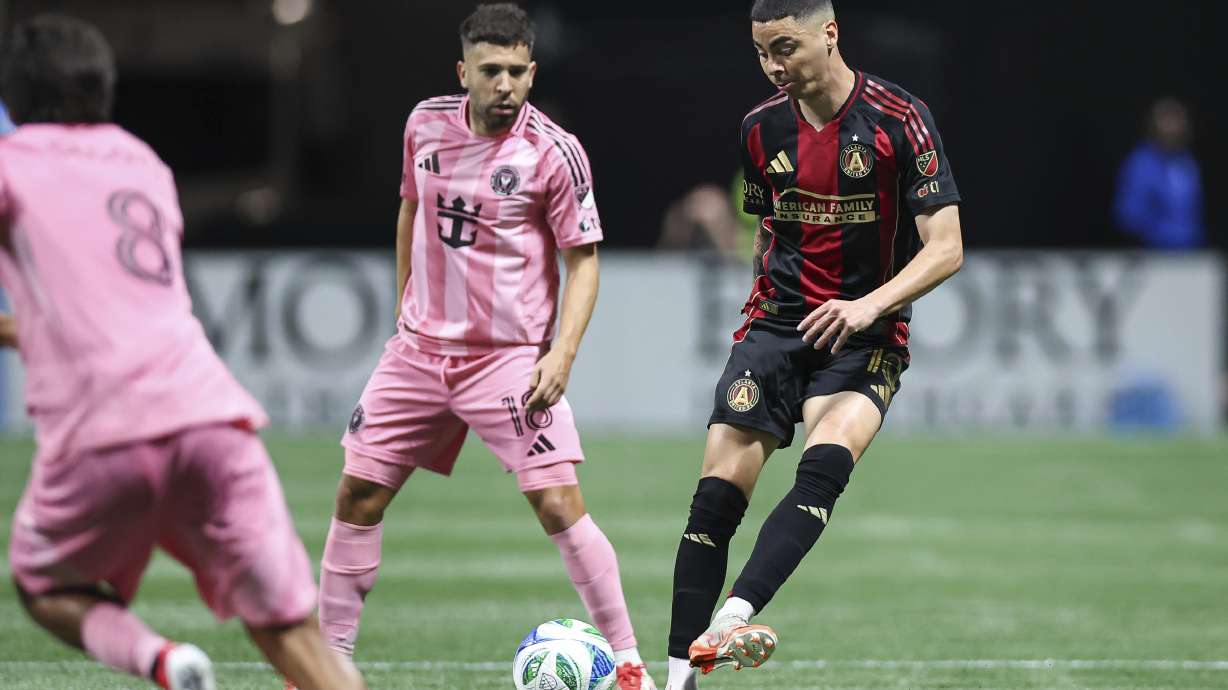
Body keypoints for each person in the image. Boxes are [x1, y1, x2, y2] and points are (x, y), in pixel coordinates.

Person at [0, 15, 365, 690]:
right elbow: (111, 304)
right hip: (211, 418)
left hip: (103, 432)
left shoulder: (12, 161)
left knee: (44, 583)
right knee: (292, 634)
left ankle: (162, 661)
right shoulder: (145, 163)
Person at [304, 4, 657, 689]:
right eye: (490, 70)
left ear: (532, 71)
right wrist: (404, 305)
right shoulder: (424, 124)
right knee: (357, 497)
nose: (505, 84)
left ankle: (629, 663)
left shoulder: (554, 151)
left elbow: (582, 260)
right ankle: (326, 662)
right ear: (463, 71)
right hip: (416, 353)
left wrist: (560, 355)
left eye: (517, 71)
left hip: (507, 360)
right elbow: (411, 208)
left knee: (558, 504)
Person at [664, 1, 965, 688]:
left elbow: (945, 248)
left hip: (867, 331)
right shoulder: (760, 128)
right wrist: (761, 318)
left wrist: (867, 307)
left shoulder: (898, 118)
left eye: (787, 47)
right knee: (714, 502)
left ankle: (732, 618)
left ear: (831, 33)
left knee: (826, 463)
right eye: (763, 52)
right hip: (778, 329)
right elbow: (769, 231)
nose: (775, 66)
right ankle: (677, 675)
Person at [1113, 98, 1203, 250]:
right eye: (1167, 120)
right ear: (1154, 125)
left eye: (1177, 119)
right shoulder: (1141, 163)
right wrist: (1160, 233)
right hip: (1153, 253)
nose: (1172, 127)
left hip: (1189, 251)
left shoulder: (1187, 162)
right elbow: (1128, 214)